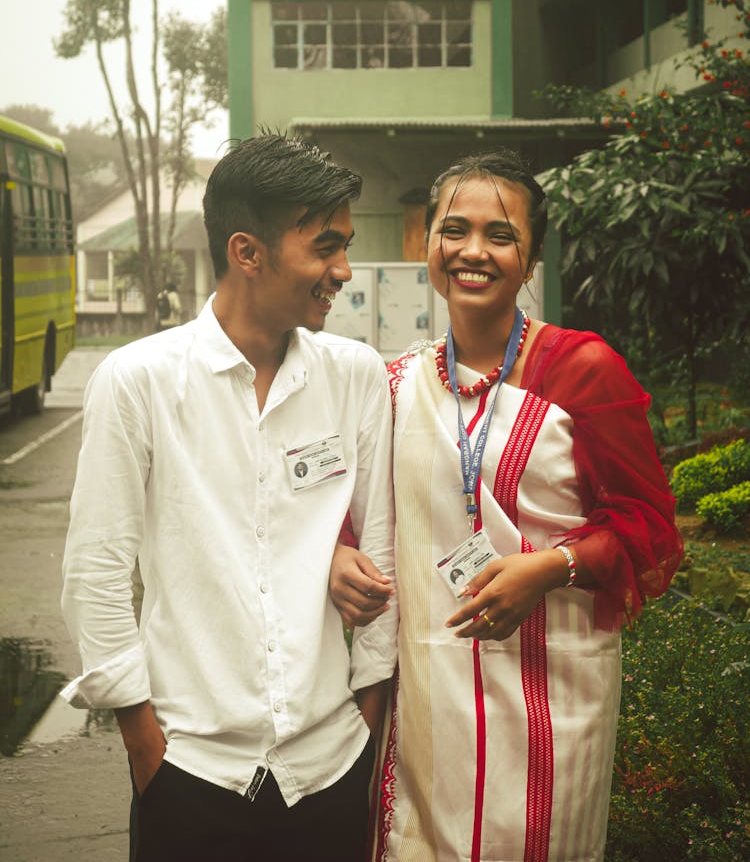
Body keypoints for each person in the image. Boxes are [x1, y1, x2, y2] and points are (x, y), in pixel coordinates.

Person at [330, 150, 683, 862]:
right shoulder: (395, 384)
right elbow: (352, 510)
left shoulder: (583, 370)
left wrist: (551, 566)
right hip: (429, 701)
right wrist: (337, 552)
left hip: (553, 694)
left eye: (501, 234)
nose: (473, 251)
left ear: (531, 259)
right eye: (453, 229)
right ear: (425, 243)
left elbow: (650, 529)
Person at [60, 132, 397, 862]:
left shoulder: (355, 376)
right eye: (325, 246)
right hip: (189, 774)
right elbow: (96, 574)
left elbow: (384, 555)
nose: (342, 268)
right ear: (247, 251)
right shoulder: (139, 381)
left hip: (332, 769)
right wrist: (148, 751)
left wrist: (368, 726)